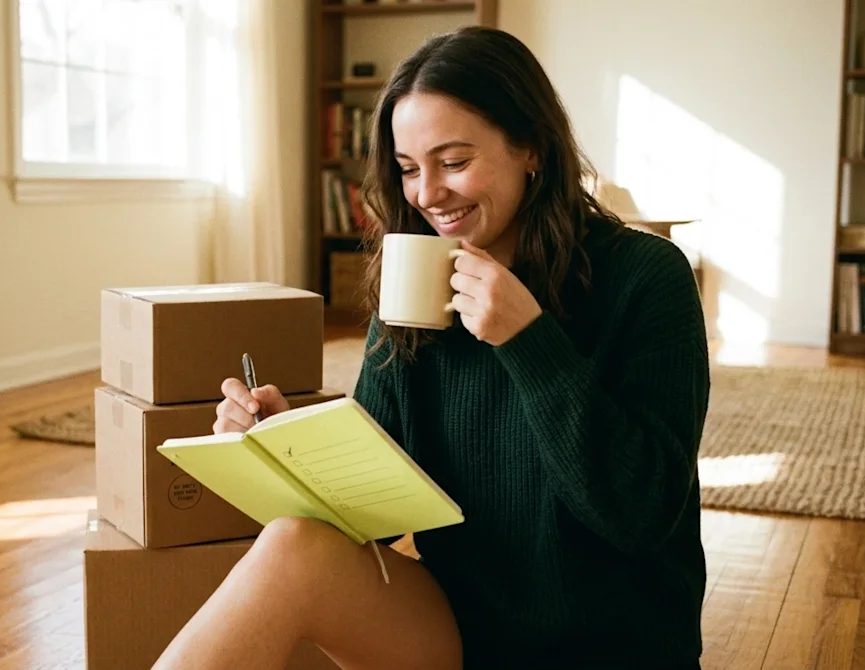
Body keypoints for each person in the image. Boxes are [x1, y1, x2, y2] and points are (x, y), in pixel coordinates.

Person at [154, 26, 709, 670]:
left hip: (612, 647)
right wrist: (286, 443)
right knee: (292, 544)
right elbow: (377, 515)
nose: (426, 194)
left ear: (530, 147)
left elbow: (639, 514)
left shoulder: (647, 276)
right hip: (461, 630)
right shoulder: (415, 280)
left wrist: (529, 343)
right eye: (409, 168)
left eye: (453, 161)